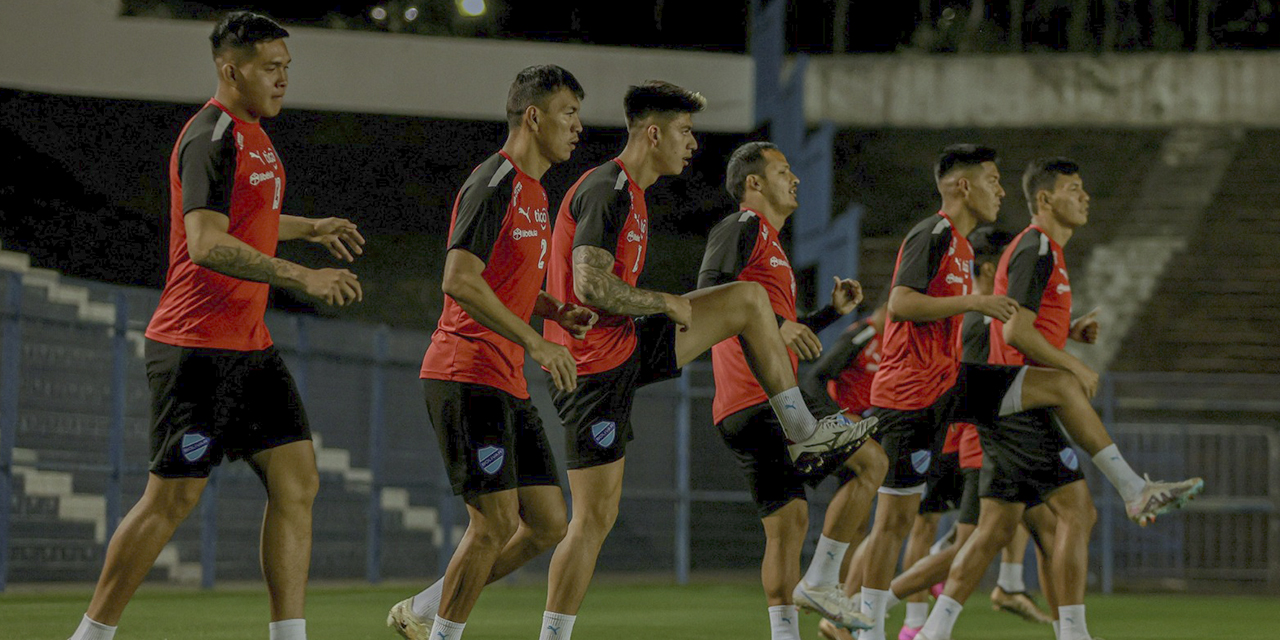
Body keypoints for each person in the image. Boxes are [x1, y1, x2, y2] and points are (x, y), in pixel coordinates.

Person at [539, 82, 877, 640]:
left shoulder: (636, 197)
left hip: (623, 348)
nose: (692, 143)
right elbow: (590, 283)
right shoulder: (610, 187)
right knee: (588, 522)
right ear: (654, 133)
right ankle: (526, 629)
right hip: (591, 369)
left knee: (748, 303)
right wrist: (662, 301)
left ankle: (802, 429)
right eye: (684, 131)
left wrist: (817, 317)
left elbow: (752, 314)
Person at [66, 12, 365, 640]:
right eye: (270, 67)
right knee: (170, 500)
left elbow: (248, 219)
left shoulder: (257, 136)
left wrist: (310, 227)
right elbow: (205, 242)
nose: (283, 79)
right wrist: (301, 275)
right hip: (194, 348)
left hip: (249, 347)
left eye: (287, 67)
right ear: (231, 70)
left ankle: (289, 635)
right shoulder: (213, 134)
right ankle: (90, 636)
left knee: (298, 481)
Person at [855, 146, 1202, 640]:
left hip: (957, 387)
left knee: (993, 530)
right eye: (1074, 190)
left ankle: (925, 626)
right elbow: (1006, 330)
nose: (1085, 198)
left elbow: (1007, 325)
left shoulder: (977, 247)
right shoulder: (1026, 246)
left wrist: (1065, 338)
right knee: (1069, 512)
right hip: (944, 399)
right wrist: (1065, 358)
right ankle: (864, 612)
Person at [384, 65, 598, 640]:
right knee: (495, 522)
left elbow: (505, 281)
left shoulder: (538, 193)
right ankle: (442, 634)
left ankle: (428, 607)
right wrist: (536, 341)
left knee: (550, 522)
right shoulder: (495, 180)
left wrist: (552, 312)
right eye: (568, 113)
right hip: (465, 371)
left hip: (506, 380)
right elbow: (459, 277)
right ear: (534, 116)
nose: (578, 126)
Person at [699, 142, 887, 637]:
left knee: (788, 527)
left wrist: (827, 315)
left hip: (737, 408)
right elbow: (711, 291)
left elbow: (772, 324)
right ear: (754, 184)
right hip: (766, 397)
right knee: (872, 463)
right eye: (783, 171)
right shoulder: (744, 225)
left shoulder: (769, 245)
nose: (795, 178)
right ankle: (823, 579)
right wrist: (780, 325)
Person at [803, 303, 885, 417]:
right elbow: (816, 377)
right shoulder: (863, 334)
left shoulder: (895, 341)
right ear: (886, 308)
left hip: (868, 418)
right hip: (843, 415)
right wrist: (840, 415)